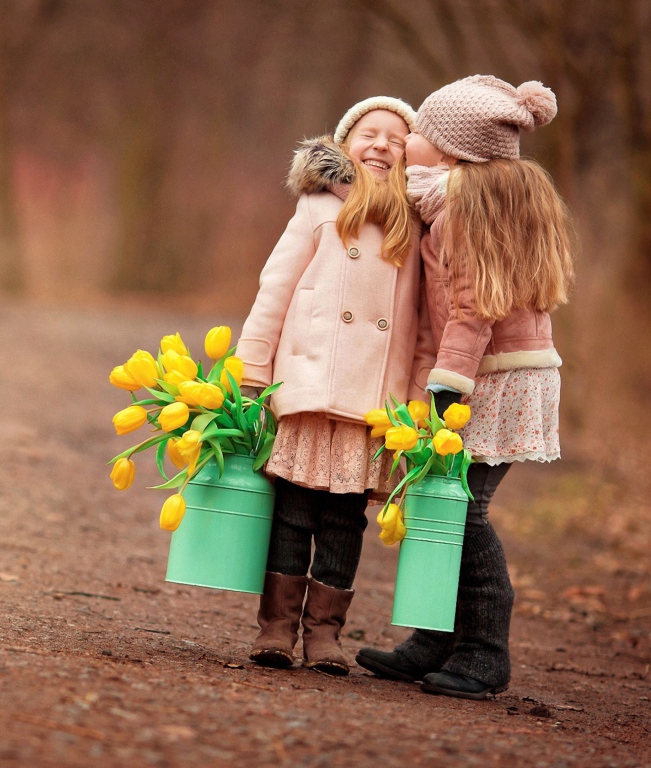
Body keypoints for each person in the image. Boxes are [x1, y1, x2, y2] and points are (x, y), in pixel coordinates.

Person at [356, 75, 576, 699]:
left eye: (420, 132)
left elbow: (473, 306)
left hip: (489, 378)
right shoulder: (460, 199)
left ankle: (484, 651)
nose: (409, 139)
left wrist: (445, 387)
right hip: (497, 370)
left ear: (451, 153)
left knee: (465, 510)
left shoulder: (461, 208)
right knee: (442, 504)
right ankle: (436, 638)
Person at [236, 96, 432, 675]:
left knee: (345, 520)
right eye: (369, 134)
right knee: (294, 512)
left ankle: (325, 633)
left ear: (408, 158)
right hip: (308, 386)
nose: (381, 145)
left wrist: (415, 399)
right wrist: (253, 367)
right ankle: (276, 627)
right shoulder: (317, 206)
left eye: (396, 141)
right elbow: (276, 287)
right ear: (346, 144)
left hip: (369, 402)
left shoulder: (411, 222)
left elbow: (418, 326)